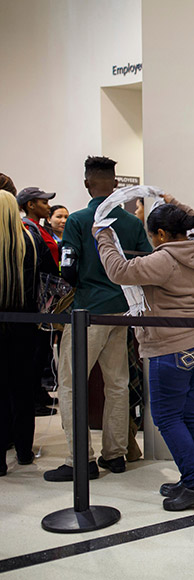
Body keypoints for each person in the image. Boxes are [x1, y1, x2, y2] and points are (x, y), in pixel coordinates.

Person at [95, 195, 194, 511]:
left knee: (166, 417)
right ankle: (192, 475)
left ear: (161, 235)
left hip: (172, 348)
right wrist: (178, 204)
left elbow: (119, 271)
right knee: (190, 413)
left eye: (151, 234)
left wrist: (103, 235)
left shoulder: (163, 260)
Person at [44, 156, 152, 482]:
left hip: (86, 312)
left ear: (87, 183)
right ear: (116, 184)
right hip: (121, 311)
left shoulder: (78, 220)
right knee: (117, 382)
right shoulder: (132, 225)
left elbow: (68, 268)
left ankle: (82, 460)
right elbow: (145, 263)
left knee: (70, 383)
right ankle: (115, 454)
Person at [1, 190, 56, 476]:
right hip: (26, 326)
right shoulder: (32, 240)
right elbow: (52, 275)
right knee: (22, 391)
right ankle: (24, 452)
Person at [17, 187, 60, 266]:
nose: (49, 207)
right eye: (44, 203)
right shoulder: (28, 230)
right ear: (31, 205)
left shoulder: (39, 228)